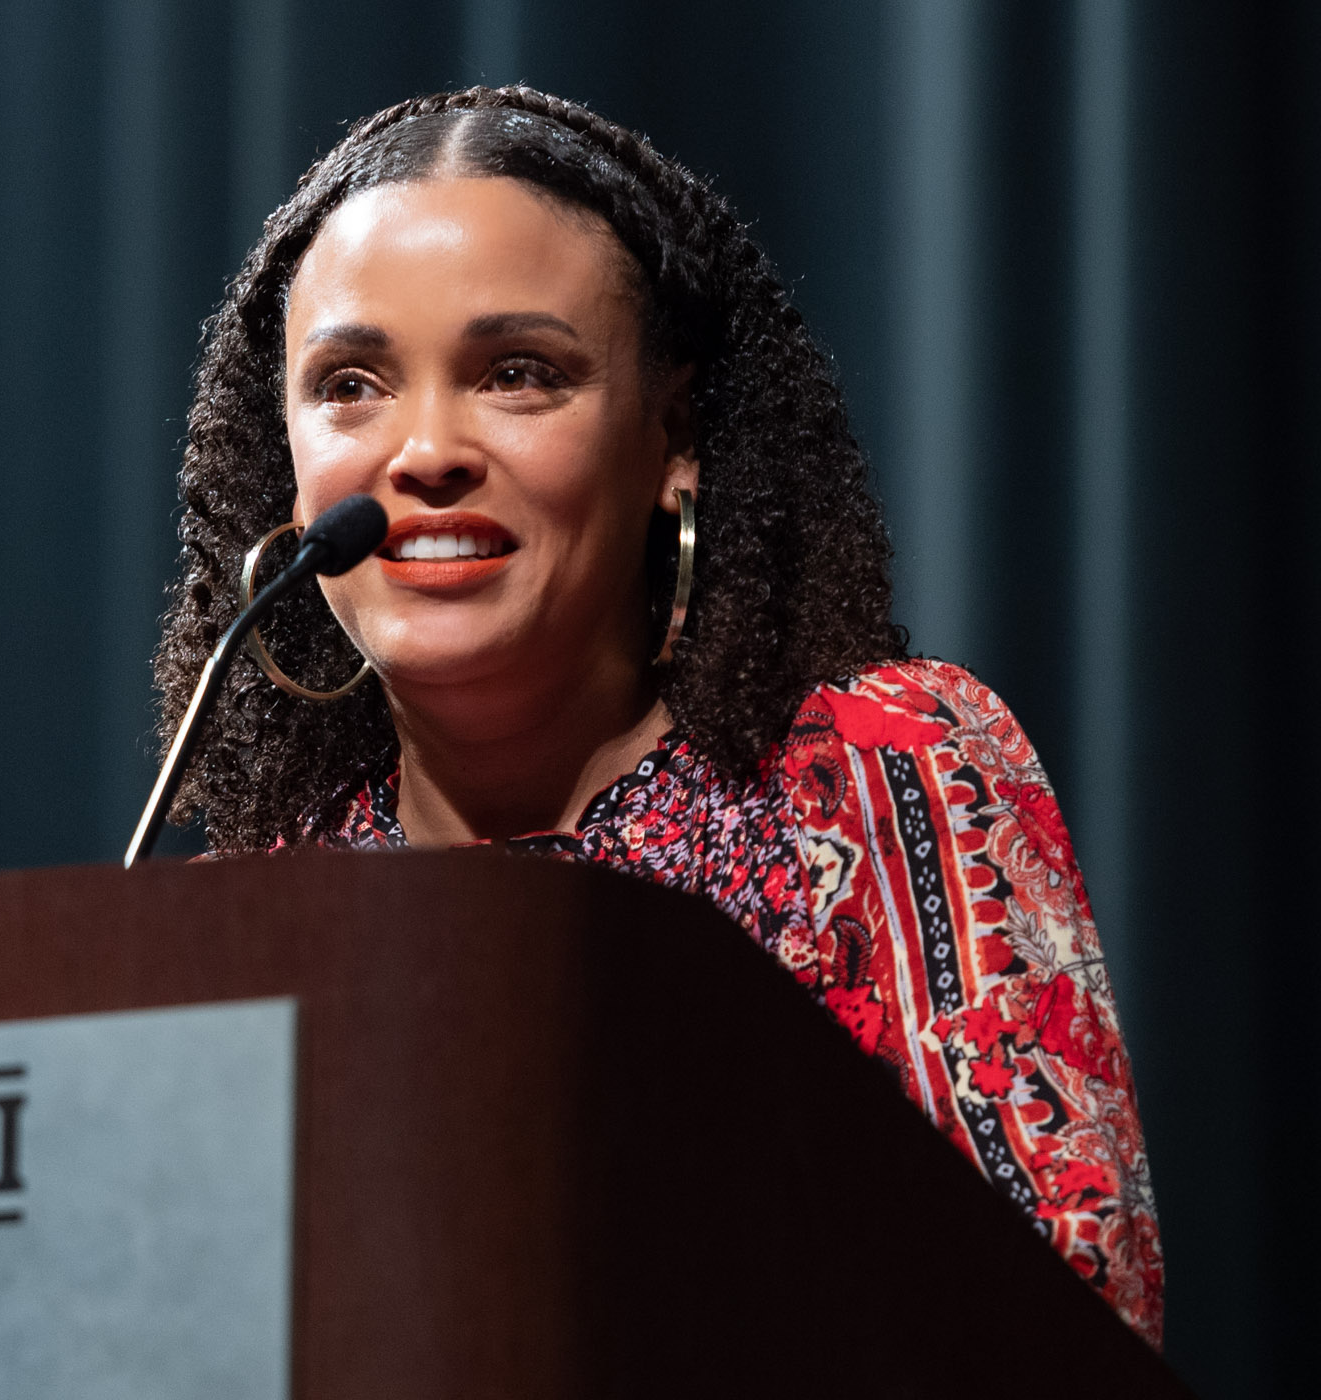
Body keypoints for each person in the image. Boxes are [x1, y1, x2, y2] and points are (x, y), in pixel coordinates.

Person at [153, 86, 1161, 1345]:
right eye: (350, 384)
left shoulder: (878, 770)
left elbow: (1072, 1320)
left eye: (517, 374)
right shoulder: (263, 904)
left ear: (672, 433)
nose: (423, 451)